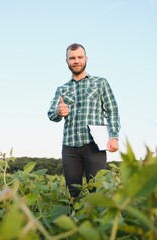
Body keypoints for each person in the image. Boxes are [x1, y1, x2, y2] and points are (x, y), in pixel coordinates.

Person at [47, 43, 120, 198]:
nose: (76, 61)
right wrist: (58, 112)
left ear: (86, 59)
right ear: (66, 61)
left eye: (80, 57)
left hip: (94, 145)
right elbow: (51, 115)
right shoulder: (62, 89)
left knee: (98, 191)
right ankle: (75, 221)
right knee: (73, 194)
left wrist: (114, 136)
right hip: (70, 147)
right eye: (72, 58)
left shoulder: (100, 83)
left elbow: (112, 110)